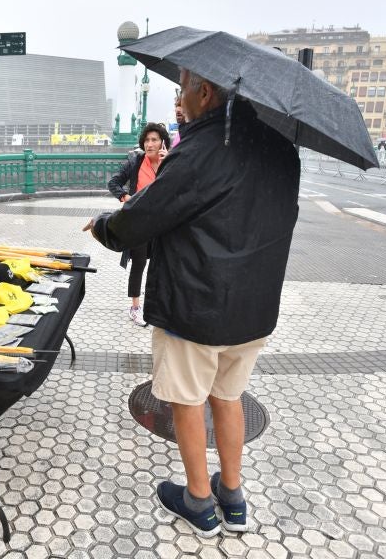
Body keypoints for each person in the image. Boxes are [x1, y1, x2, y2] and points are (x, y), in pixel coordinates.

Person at [85, 68, 300, 537]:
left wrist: (104, 225)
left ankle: (199, 501)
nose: (180, 98)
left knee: (187, 402)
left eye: (183, 87)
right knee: (229, 396)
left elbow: (141, 218)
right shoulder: (283, 151)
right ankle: (234, 498)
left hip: (196, 305)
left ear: (205, 92)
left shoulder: (200, 151)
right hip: (254, 308)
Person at [107, 122, 170, 326]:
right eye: (147, 140)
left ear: (162, 143)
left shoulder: (170, 162)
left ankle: (160, 305)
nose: (150, 144)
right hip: (139, 222)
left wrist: (167, 164)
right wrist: (127, 198)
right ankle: (135, 307)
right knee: (139, 264)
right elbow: (114, 182)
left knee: (163, 263)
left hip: (162, 223)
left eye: (154, 140)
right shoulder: (135, 162)